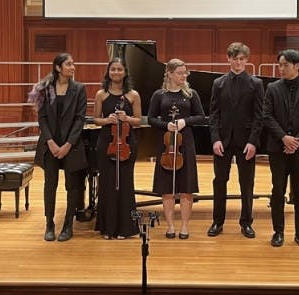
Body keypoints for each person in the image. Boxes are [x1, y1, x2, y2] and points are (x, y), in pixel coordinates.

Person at [262, 49, 299, 248]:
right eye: (280, 65)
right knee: (277, 190)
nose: (281, 69)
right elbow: (267, 116)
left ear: (297, 66)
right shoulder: (272, 88)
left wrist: (296, 141)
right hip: (277, 148)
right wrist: (284, 138)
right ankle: (278, 232)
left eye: (285, 65)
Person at [208, 42, 264, 239]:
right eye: (235, 58)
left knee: (247, 183)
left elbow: (259, 116)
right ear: (228, 59)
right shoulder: (218, 83)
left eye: (242, 59)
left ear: (246, 60)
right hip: (223, 141)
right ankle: (217, 221)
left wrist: (253, 142)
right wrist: (215, 139)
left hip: (246, 141)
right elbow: (213, 114)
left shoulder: (256, 84)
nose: (238, 62)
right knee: (220, 181)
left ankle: (246, 222)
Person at [30, 53, 88, 242]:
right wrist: (51, 142)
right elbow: (42, 117)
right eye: (69, 64)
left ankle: (68, 225)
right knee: (50, 185)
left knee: (72, 186)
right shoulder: (46, 88)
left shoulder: (79, 89)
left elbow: (80, 119)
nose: (73, 67)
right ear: (58, 67)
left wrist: (68, 144)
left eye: (73, 64)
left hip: (71, 145)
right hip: (50, 145)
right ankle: (49, 224)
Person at [147, 59, 206, 239]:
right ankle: (171, 225)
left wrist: (184, 121)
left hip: (185, 143)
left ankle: (185, 226)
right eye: (180, 73)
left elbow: (201, 117)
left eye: (185, 73)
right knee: (167, 188)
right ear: (170, 74)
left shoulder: (191, 94)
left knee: (186, 188)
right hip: (167, 144)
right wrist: (166, 125)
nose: (184, 76)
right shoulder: (159, 94)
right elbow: (150, 118)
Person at [92, 57, 142, 239]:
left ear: (125, 72)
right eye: (113, 69)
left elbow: (139, 120)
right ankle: (107, 228)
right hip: (106, 142)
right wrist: (107, 120)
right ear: (108, 72)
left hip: (128, 142)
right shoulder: (101, 95)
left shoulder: (133, 95)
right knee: (107, 183)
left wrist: (126, 118)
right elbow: (95, 119)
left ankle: (126, 228)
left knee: (126, 184)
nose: (116, 72)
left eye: (120, 69)